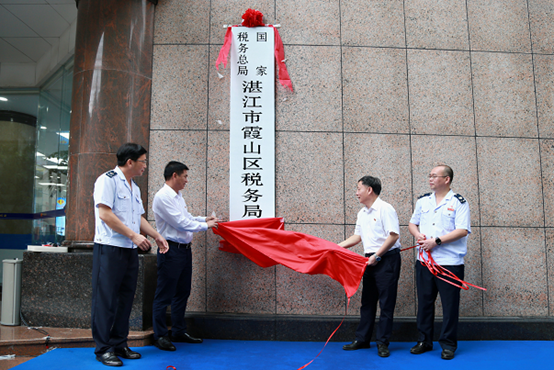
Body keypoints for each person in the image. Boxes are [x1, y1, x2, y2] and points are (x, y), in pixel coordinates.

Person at [92, 143, 169, 367]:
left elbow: (139, 218)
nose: (145, 165)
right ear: (130, 162)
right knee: (106, 299)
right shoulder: (107, 180)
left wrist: (156, 235)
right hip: (109, 248)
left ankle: (119, 343)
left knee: (126, 298)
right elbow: (105, 213)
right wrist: (133, 236)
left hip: (128, 250)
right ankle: (103, 348)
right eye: (143, 161)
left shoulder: (134, 187)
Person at [151, 161, 219, 351]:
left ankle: (179, 331)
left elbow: (187, 217)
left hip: (184, 250)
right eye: (185, 176)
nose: (187, 181)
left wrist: (204, 219)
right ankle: (161, 335)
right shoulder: (162, 197)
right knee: (164, 295)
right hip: (170, 250)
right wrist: (206, 226)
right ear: (174, 175)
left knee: (182, 292)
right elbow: (180, 223)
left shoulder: (177, 196)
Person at [408, 164, 470, 360]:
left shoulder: (459, 202)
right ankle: (424, 341)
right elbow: (412, 223)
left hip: (449, 263)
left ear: (447, 179)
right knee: (425, 303)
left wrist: (437, 241)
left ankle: (448, 344)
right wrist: (418, 235)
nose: (430, 179)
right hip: (425, 261)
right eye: (430, 176)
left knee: (449, 305)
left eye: (435, 176)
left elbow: (462, 230)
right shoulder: (423, 201)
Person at [339, 176, 402, 358]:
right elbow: (357, 237)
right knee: (367, 301)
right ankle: (362, 339)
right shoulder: (362, 213)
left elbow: (393, 236)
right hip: (369, 260)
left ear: (369, 190)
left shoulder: (385, 208)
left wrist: (377, 255)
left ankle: (382, 342)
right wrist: (337, 247)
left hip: (386, 259)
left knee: (386, 303)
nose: (356, 193)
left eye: (359, 188)